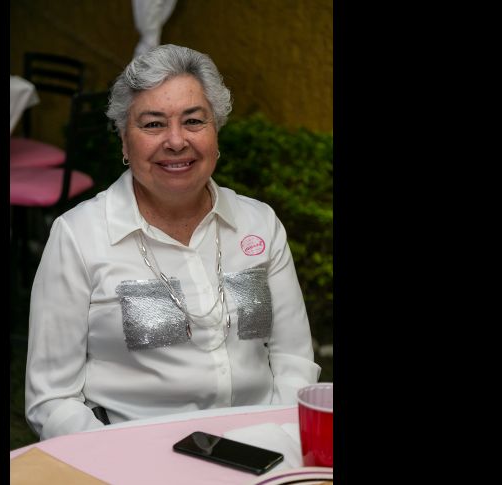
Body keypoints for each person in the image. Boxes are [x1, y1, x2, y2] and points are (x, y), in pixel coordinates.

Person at [25, 44, 321, 440]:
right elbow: (52, 399)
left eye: (194, 121)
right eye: (152, 124)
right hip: (134, 455)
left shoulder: (259, 223)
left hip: (262, 444)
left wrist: (280, 436)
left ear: (216, 132)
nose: (176, 141)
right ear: (125, 143)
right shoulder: (79, 237)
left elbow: (292, 357)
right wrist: (114, 465)